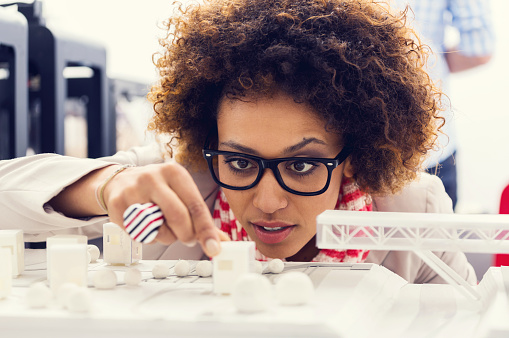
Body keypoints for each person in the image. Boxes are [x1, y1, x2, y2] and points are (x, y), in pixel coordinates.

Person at [0, 0, 476, 284]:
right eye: (242, 162)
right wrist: (106, 188)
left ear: (352, 158)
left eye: (303, 166)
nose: (267, 202)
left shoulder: (416, 215)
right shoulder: (184, 187)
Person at [393, 0, 495, 210]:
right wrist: (427, 63)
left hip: (351, 147)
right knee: (437, 239)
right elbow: (479, 49)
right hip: (432, 145)